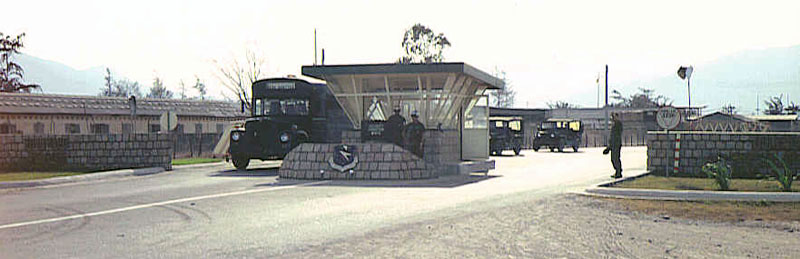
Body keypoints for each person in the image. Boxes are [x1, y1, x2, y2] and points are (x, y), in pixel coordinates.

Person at [603, 113, 623, 178]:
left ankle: (618, 172)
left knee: (616, 158)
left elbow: (617, 135)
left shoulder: (618, 124)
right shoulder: (614, 125)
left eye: (614, 117)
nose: (613, 119)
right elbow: (612, 136)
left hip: (616, 144)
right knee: (613, 159)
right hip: (613, 144)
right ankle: (617, 171)